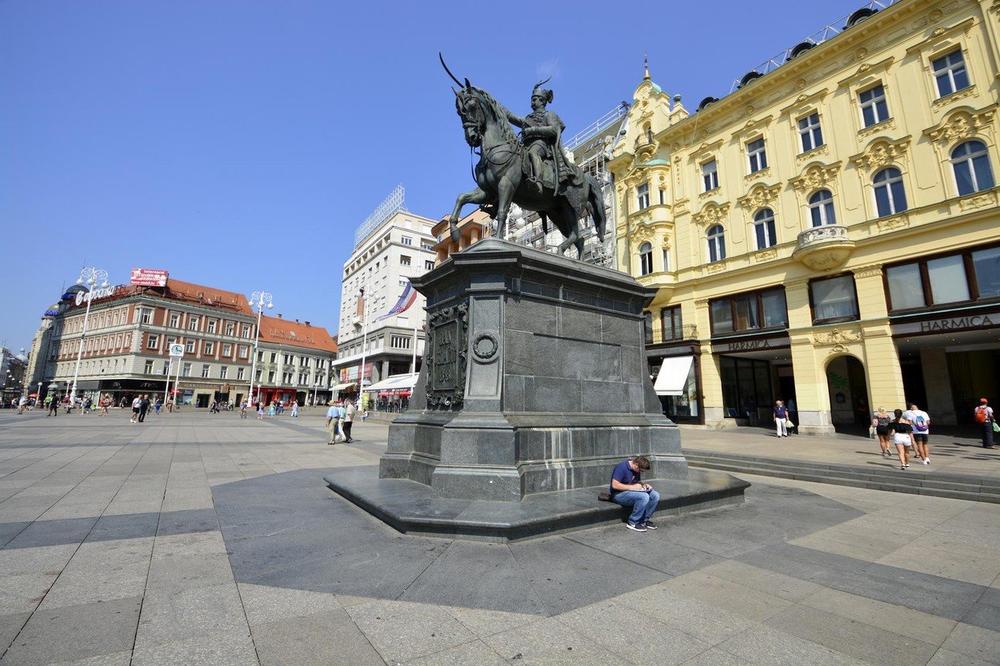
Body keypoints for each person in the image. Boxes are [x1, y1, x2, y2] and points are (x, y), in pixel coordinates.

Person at [609, 455, 660, 532]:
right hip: (618, 494)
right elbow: (614, 485)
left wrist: (643, 485)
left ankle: (643, 521)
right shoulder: (621, 467)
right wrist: (632, 488)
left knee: (655, 495)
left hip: (630, 492)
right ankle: (633, 522)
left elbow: (636, 482)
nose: (641, 472)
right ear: (636, 464)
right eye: (641, 471)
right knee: (644, 497)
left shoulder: (636, 469)